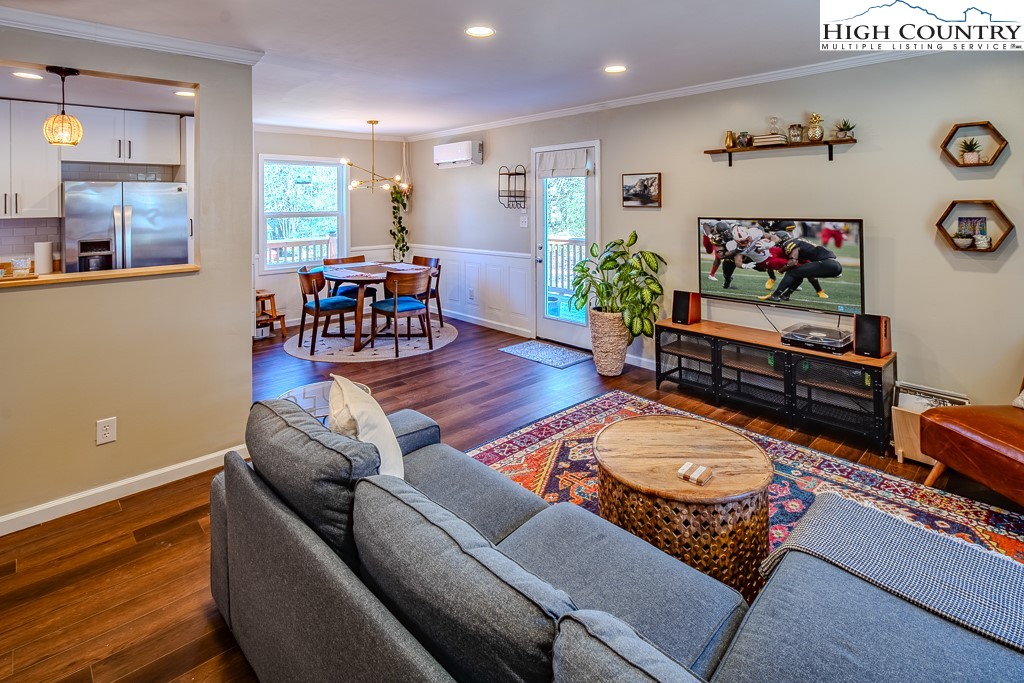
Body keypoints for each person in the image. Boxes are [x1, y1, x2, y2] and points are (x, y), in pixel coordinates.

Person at [759, 233, 840, 302]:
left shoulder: (788, 243)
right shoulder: (798, 240)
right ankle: (786, 295)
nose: (773, 240)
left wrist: (781, 270)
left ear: (781, 238)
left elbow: (793, 262)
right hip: (834, 265)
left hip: (827, 263)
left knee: (791, 272)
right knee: (798, 272)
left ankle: (775, 295)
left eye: (774, 237)